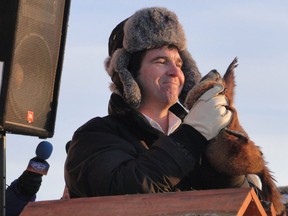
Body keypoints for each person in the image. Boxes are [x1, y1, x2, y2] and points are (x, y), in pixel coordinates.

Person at [64, 7, 261, 198]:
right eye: (160, 61)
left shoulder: (203, 139)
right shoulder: (95, 136)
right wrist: (193, 135)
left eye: (179, 64)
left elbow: (245, 203)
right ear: (128, 74)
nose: (175, 73)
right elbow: (124, 190)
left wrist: (228, 157)